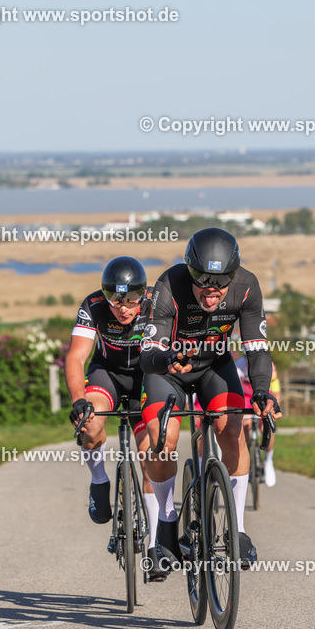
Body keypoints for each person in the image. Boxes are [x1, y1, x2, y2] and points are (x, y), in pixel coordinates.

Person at [140, 227, 281, 570]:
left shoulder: (247, 286)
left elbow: (258, 349)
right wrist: (167, 357)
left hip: (214, 368)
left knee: (231, 429)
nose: (212, 289)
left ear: (233, 276)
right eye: (202, 279)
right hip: (167, 371)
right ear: (189, 271)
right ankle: (168, 524)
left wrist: (261, 389)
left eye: (221, 280)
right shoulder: (169, 285)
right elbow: (148, 354)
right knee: (164, 440)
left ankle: (239, 531)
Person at [65, 256, 168, 579]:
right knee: (91, 423)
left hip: (145, 378)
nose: (124, 308)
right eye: (116, 300)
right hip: (107, 373)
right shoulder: (93, 305)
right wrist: (79, 400)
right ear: (105, 295)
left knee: (152, 454)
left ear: (143, 293)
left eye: (131, 300)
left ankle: (155, 544)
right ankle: (99, 480)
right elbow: (77, 356)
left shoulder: (157, 303)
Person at [235, 355, 279, 486]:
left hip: (264, 396)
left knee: (265, 428)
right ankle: (249, 452)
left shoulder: (269, 364)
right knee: (245, 424)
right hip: (246, 397)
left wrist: (275, 408)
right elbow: (236, 389)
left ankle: (268, 461)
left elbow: (276, 390)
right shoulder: (239, 365)